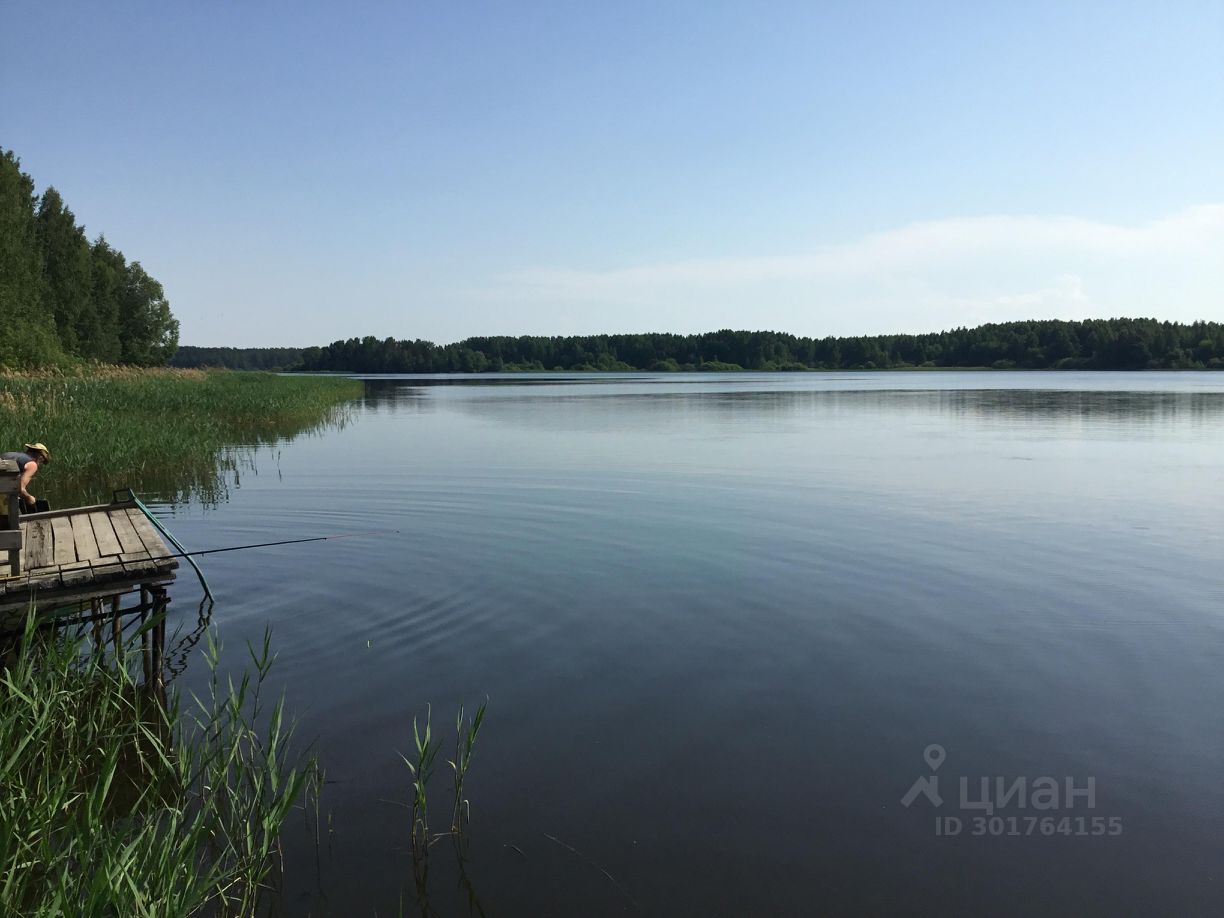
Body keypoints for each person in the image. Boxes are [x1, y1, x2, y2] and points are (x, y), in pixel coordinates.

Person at [0, 443, 51, 515]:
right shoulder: (32, 464)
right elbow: (20, 489)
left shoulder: (12, 455)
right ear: (40, 457)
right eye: (42, 461)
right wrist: (29, 498)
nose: (40, 464)